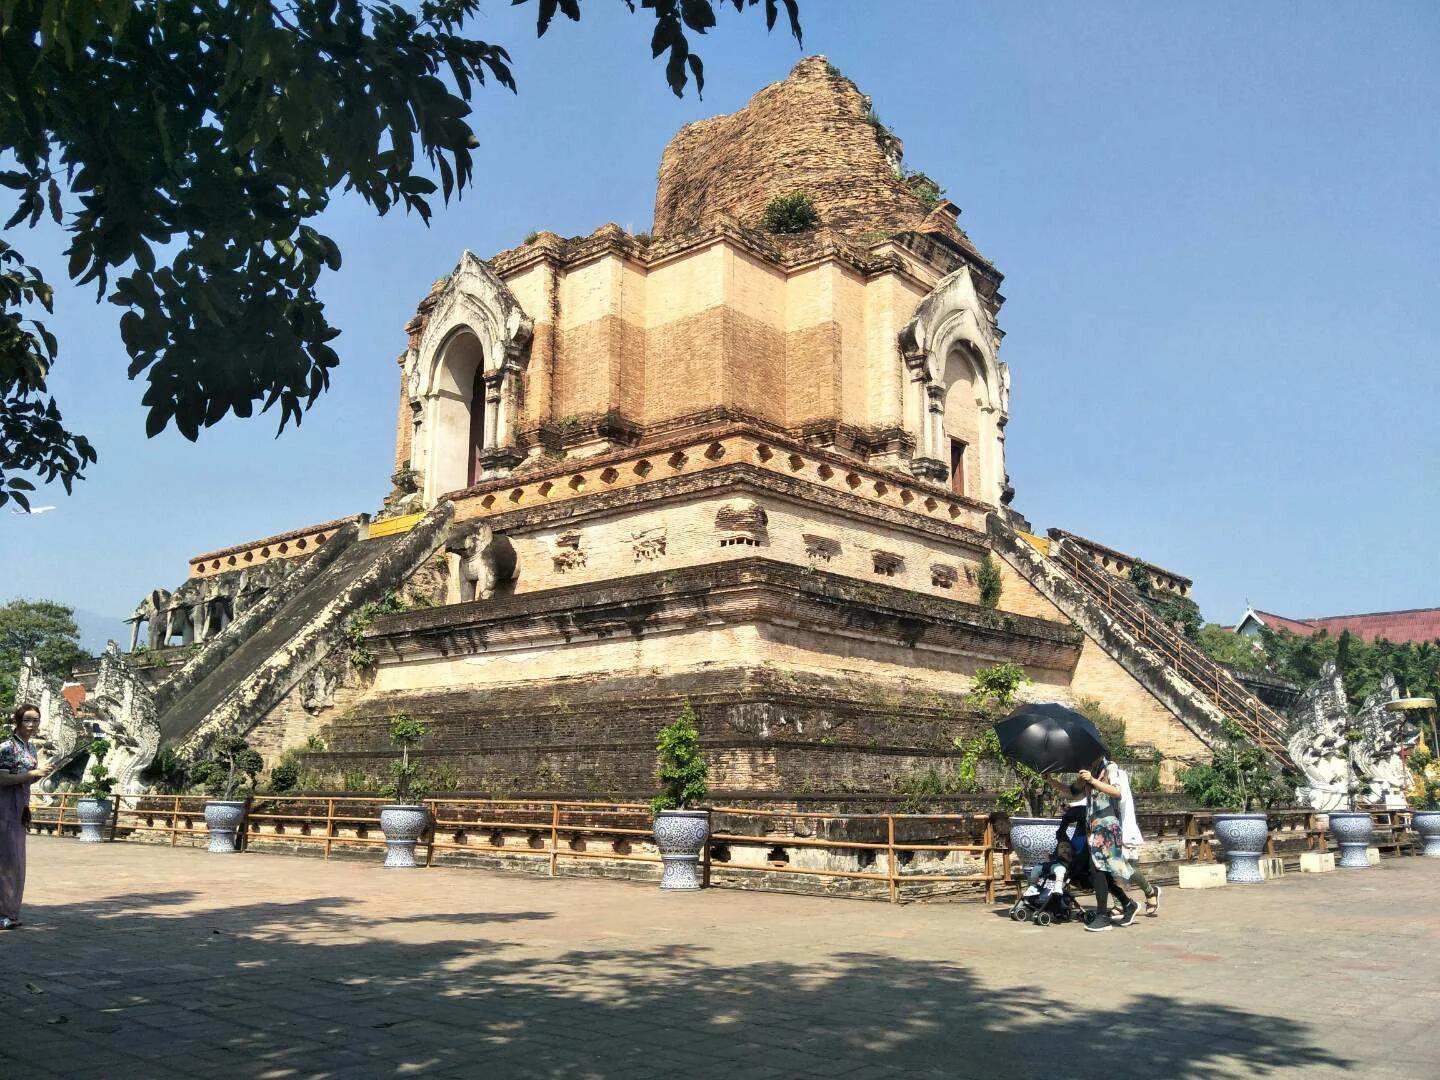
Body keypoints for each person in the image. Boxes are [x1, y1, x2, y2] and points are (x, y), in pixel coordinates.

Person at [1077, 755, 1161, 931]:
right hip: (1095, 829)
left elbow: (1117, 791)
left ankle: (1103, 916)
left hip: (1108, 828)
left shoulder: (1111, 768)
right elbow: (1073, 791)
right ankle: (1128, 904)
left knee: (1100, 869)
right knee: (1104, 872)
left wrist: (1092, 780)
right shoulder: (1090, 772)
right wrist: (1051, 781)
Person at [1, 703, 52, 930]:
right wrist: (32, 773)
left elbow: (25, 778)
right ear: (18, 721)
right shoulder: (6, 747)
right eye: (27, 720)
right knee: (5, 860)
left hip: (21, 804)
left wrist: (37, 775)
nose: (32, 725)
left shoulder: (31, 749)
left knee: (17, 861)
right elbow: (2, 779)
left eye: (35, 721)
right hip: (3, 806)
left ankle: (10, 911)